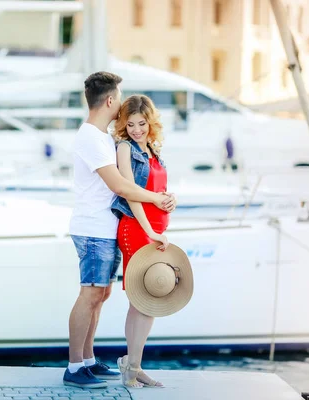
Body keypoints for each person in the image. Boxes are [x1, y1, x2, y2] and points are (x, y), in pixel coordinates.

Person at [65, 73, 176, 389]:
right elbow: (119, 185)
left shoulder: (102, 137)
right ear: (111, 100)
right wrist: (156, 197)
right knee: (89, 294)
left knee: (100, 294)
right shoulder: (90, 137)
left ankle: (87, 360)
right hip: (92, 228)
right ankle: (74, 367)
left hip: (105, 228)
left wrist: (163, 198)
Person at [111, 94, 172, 388]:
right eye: (131, 124)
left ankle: (133, 364)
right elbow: (130, 193)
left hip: (155, 230)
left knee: (149, 302)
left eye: (142, 123)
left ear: (151, 122)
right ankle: (132, 368)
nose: (137, 129)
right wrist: (150, 231)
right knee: (141, 300)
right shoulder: (125, 148)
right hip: (137, 229)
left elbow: (158, 192)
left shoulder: (153, 150)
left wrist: (171, 200)